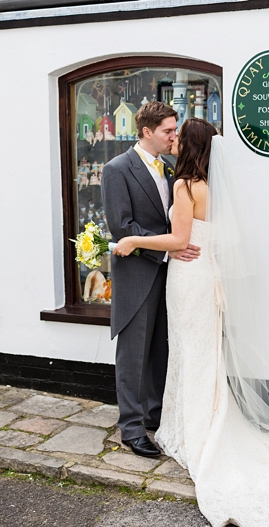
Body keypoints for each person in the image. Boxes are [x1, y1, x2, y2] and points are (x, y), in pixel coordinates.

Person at [112, 119, 269, 527]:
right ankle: (193, 420)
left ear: (190, 145)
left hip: (189, 280)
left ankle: (196, 430)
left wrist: (133, 241)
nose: (174, 139)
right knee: (199, 352)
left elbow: (180, 240)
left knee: (191, 350)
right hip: (206, 275)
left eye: (179, 135)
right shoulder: (209, 186)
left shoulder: (185, 185)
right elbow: (214, 236)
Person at [101, 102, 200, 458]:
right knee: (133, 353)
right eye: (168, 131)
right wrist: (168, 250)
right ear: (146, 132)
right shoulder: (116, 170)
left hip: (171, 276)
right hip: (138, 272)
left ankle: (155, 416)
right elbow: (121, 227)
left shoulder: (171, 168)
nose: (174, 137)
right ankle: (130, 428)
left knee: (161, 348)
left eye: (175, 130)